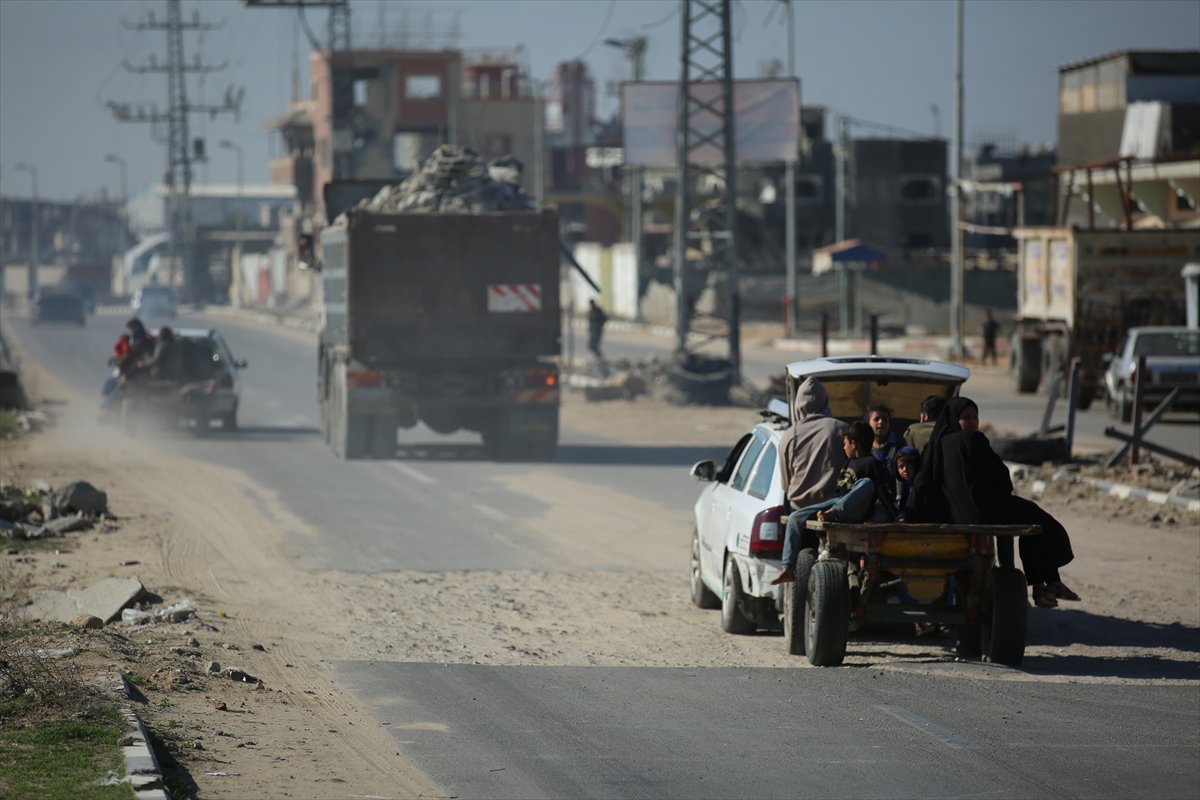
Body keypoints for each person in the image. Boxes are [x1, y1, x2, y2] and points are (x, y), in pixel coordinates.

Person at [906, 396, 1079, 608]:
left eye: (975, 417)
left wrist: (910, 515)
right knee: (1038, 521)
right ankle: (1046, 584)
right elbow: (1002, 477)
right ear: (954, 419)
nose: (972, 422)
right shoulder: (973, 439)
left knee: (1028, 514)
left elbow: (923, 483)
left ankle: (1048, 584)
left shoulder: (936, 446)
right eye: (967, 417)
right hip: (985, 512)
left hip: (956, 516)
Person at [772, 420, 895, 584]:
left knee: (866, 483)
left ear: (854, 444)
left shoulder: (871, 463)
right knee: (795, 517)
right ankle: (787, 568)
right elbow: (839, 491)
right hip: (837, 503)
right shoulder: (849, 462)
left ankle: (835, 512)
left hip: (854, 509)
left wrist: (896, 514)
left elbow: (881, 491)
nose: (844, 447)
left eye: (845, 443)